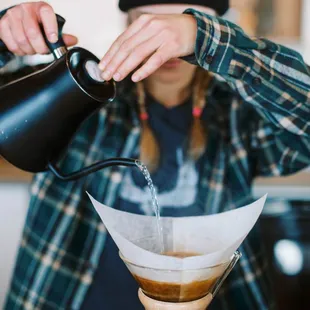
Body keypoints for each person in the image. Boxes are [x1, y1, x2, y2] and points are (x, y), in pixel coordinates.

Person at [0, 1, 309, 309]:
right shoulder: (82, 99)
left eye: (181, 29)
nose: (170, 49)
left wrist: (205, 39)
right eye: (152, 25)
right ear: (130, 26)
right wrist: (5, 38)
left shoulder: (239, 116)